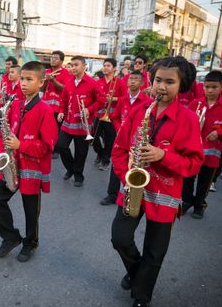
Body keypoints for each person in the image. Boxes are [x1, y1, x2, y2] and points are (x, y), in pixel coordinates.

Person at [111, 56, 204, 307]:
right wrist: (126, 174)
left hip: (165, 194)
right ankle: (138, 272)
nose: (161, 86)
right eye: (158, 80)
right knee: (119, 238)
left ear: (182, 84)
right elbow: (118, 149)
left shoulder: (187, 119)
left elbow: (195, 163)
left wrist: (164, 156)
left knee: (155, 250)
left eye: (170, 82)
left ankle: (142, 296)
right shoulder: (139, 111)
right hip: (133, 188)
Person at [0, 61, 58, 262]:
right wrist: (2, 154)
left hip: (31, 169)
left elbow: (48, 145)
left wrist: (21, 145)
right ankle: (10, 238)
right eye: (22, 79)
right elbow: (5, 134)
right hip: (11, 165)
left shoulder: (45, 110)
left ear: (41, 82)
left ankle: (30, 243)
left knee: (31, 211)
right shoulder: (15, 104)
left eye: (29, 79)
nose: (24, 83)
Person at [182, 71, 222, 218]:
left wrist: (220, 132)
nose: (209, 90)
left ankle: (199, 205)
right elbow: (185, 124)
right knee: (187, 179)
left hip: (212, 153)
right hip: (192, 151)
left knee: (205, 181)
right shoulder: (195, 103)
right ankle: (187, 201)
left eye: (214, 87)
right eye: (207, 87)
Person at [100, 71, 152, 205]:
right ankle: (111, 195)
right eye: (131, 79)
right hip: (122, 140)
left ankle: (131, 195)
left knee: (134, 168)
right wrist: (120, 129)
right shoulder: (123, 99)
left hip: (137, 142)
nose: (133, 81)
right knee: (116, 165)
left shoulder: (148, 102)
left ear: (141, 83)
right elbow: (115, 116)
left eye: (136, 79)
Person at [57, 56, 104, 187]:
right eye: (71, 65)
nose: (73, 68)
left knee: (81, 152)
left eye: (76, 65)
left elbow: (102, 100)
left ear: (84, 66)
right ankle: (71, 168)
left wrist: (90, 109)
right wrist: (61, 110)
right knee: (60, 145)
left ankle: (78, 175)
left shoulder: (92, 83)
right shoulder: (69, 82)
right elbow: (64, 100)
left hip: (83, 124)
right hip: (68, 121)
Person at [93, 58, 127, 171]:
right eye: (104, 65)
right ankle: (101, 153)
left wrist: (115, 98)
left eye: (108, 65)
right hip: (99, 114)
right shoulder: (99, 82)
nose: (105, 67)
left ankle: (105, 160)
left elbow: (126, 98)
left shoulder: (119, 82)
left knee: (109, 139)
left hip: (112, 116)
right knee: (94, 138)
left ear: (114, 69)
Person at [41, 50, 72, 159]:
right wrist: (46, 81)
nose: (52, 59)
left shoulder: (65, 73)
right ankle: (47, 146)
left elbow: (65, 89)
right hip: (46, 106)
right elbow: (42, 88)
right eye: (51, 57)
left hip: (58, 107)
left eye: (55, 58)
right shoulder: (47, 71)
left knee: (56, 129)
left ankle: (55, 149)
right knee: (46, 128)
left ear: (61, 61)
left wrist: (53, 80)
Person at [0, 56, 18, 148]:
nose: (6, 66)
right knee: (2, 123)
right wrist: (0, 100)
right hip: (4, 105)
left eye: (9, 64)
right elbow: (2, 90)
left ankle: (2, 142)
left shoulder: (15, 77)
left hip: (13, 105)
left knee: (7, 124)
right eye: (6, 64)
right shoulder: (4, 77)